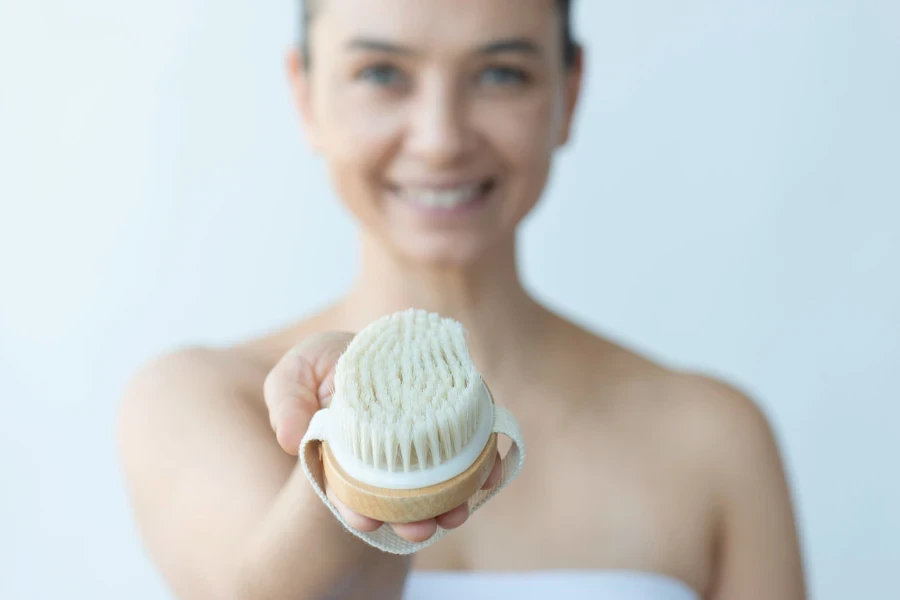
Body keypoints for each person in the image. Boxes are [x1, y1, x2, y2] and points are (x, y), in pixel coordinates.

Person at [117, 0, 807, 598]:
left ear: (569, 92)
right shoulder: (198, 399)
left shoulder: (714, 440)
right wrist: (365, 432)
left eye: (501, 73)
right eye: (381, 74)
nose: (441, 139)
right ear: (305, 97)